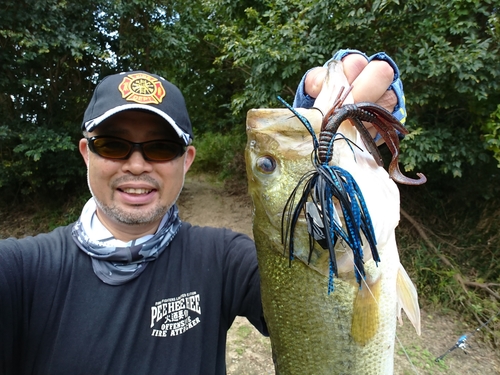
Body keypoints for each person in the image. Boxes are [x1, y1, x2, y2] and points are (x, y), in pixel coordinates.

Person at [0, 50, 405, 375]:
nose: (137, 165)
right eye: (112, 144)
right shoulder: (22, 270)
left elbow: (309, 275)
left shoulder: (222, 260)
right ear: (87, 153)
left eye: (160, 147)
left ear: (187, 159)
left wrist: (322, 132)